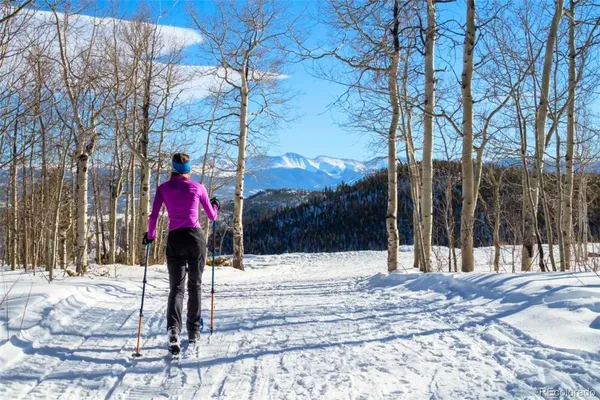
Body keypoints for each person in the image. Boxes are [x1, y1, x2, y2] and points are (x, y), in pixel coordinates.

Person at [143, 153, 220, 355]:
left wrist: (150, 236)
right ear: (188, 170)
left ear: (173, 168)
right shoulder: (198, 188)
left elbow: (153, 216)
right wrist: (215, 205)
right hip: (196, 239)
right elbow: (212, 216)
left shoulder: (163, 188)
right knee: (195, 285)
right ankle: (194, 331)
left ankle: (173, 330)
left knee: (176, 288)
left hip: (175, 239)